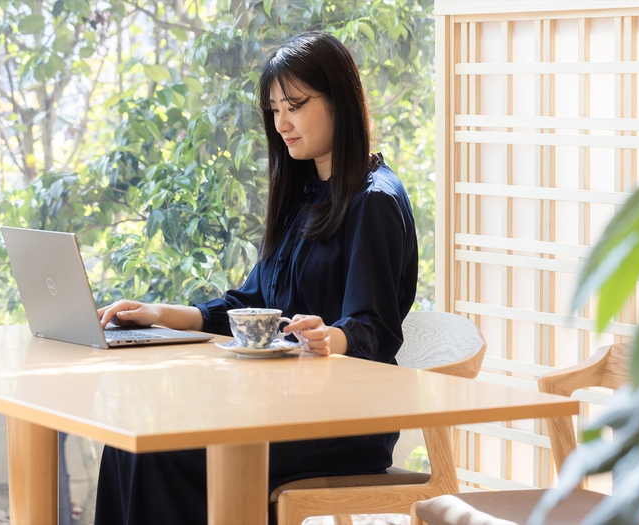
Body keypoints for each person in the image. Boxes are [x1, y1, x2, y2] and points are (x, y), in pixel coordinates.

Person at [93, 31, 418, 524]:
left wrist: (327, 337)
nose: (281, 123)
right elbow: (246, 308)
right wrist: (157, 315)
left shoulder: (374, 200)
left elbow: (373, 328)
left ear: (341, 101)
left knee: (157, 452)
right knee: (129, 443)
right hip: (282, 406)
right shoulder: (307, 192)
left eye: (295, 105)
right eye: (273, 109)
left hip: (342, 420)